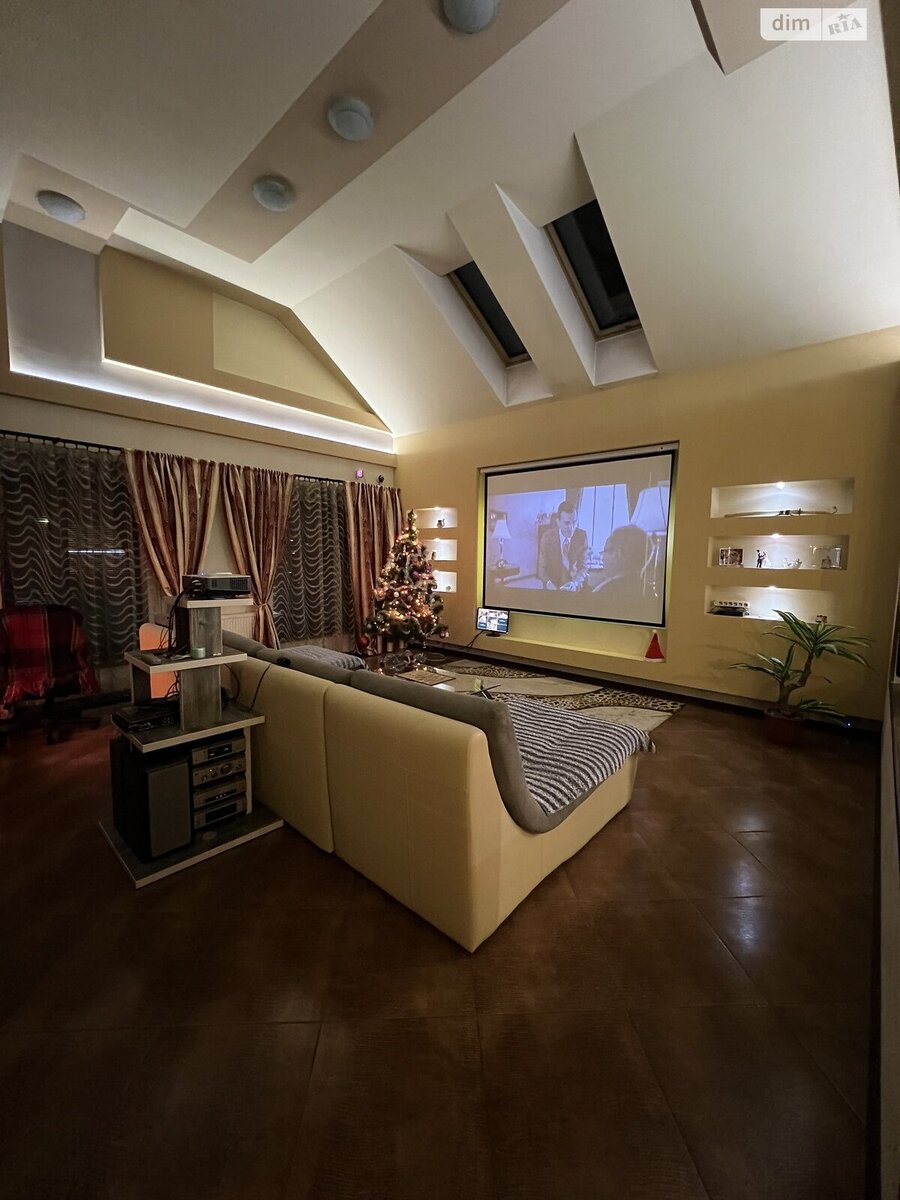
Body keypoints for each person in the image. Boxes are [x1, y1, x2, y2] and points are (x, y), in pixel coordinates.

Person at [591, 524, 657, 621]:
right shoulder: (650, 594)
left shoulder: (602, 595)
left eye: (605, 550)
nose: (602, 558)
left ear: (618, 553)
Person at [537, 501, 589, 590]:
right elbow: (542, 569)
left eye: (574, 522)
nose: (571, 528)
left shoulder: (582, 536)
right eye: (567, 523)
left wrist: (575, 583)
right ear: (558, 522)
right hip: (552, 588)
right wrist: (548, 583)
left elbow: (583, 567)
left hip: (574, 587)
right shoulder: (547, 538)